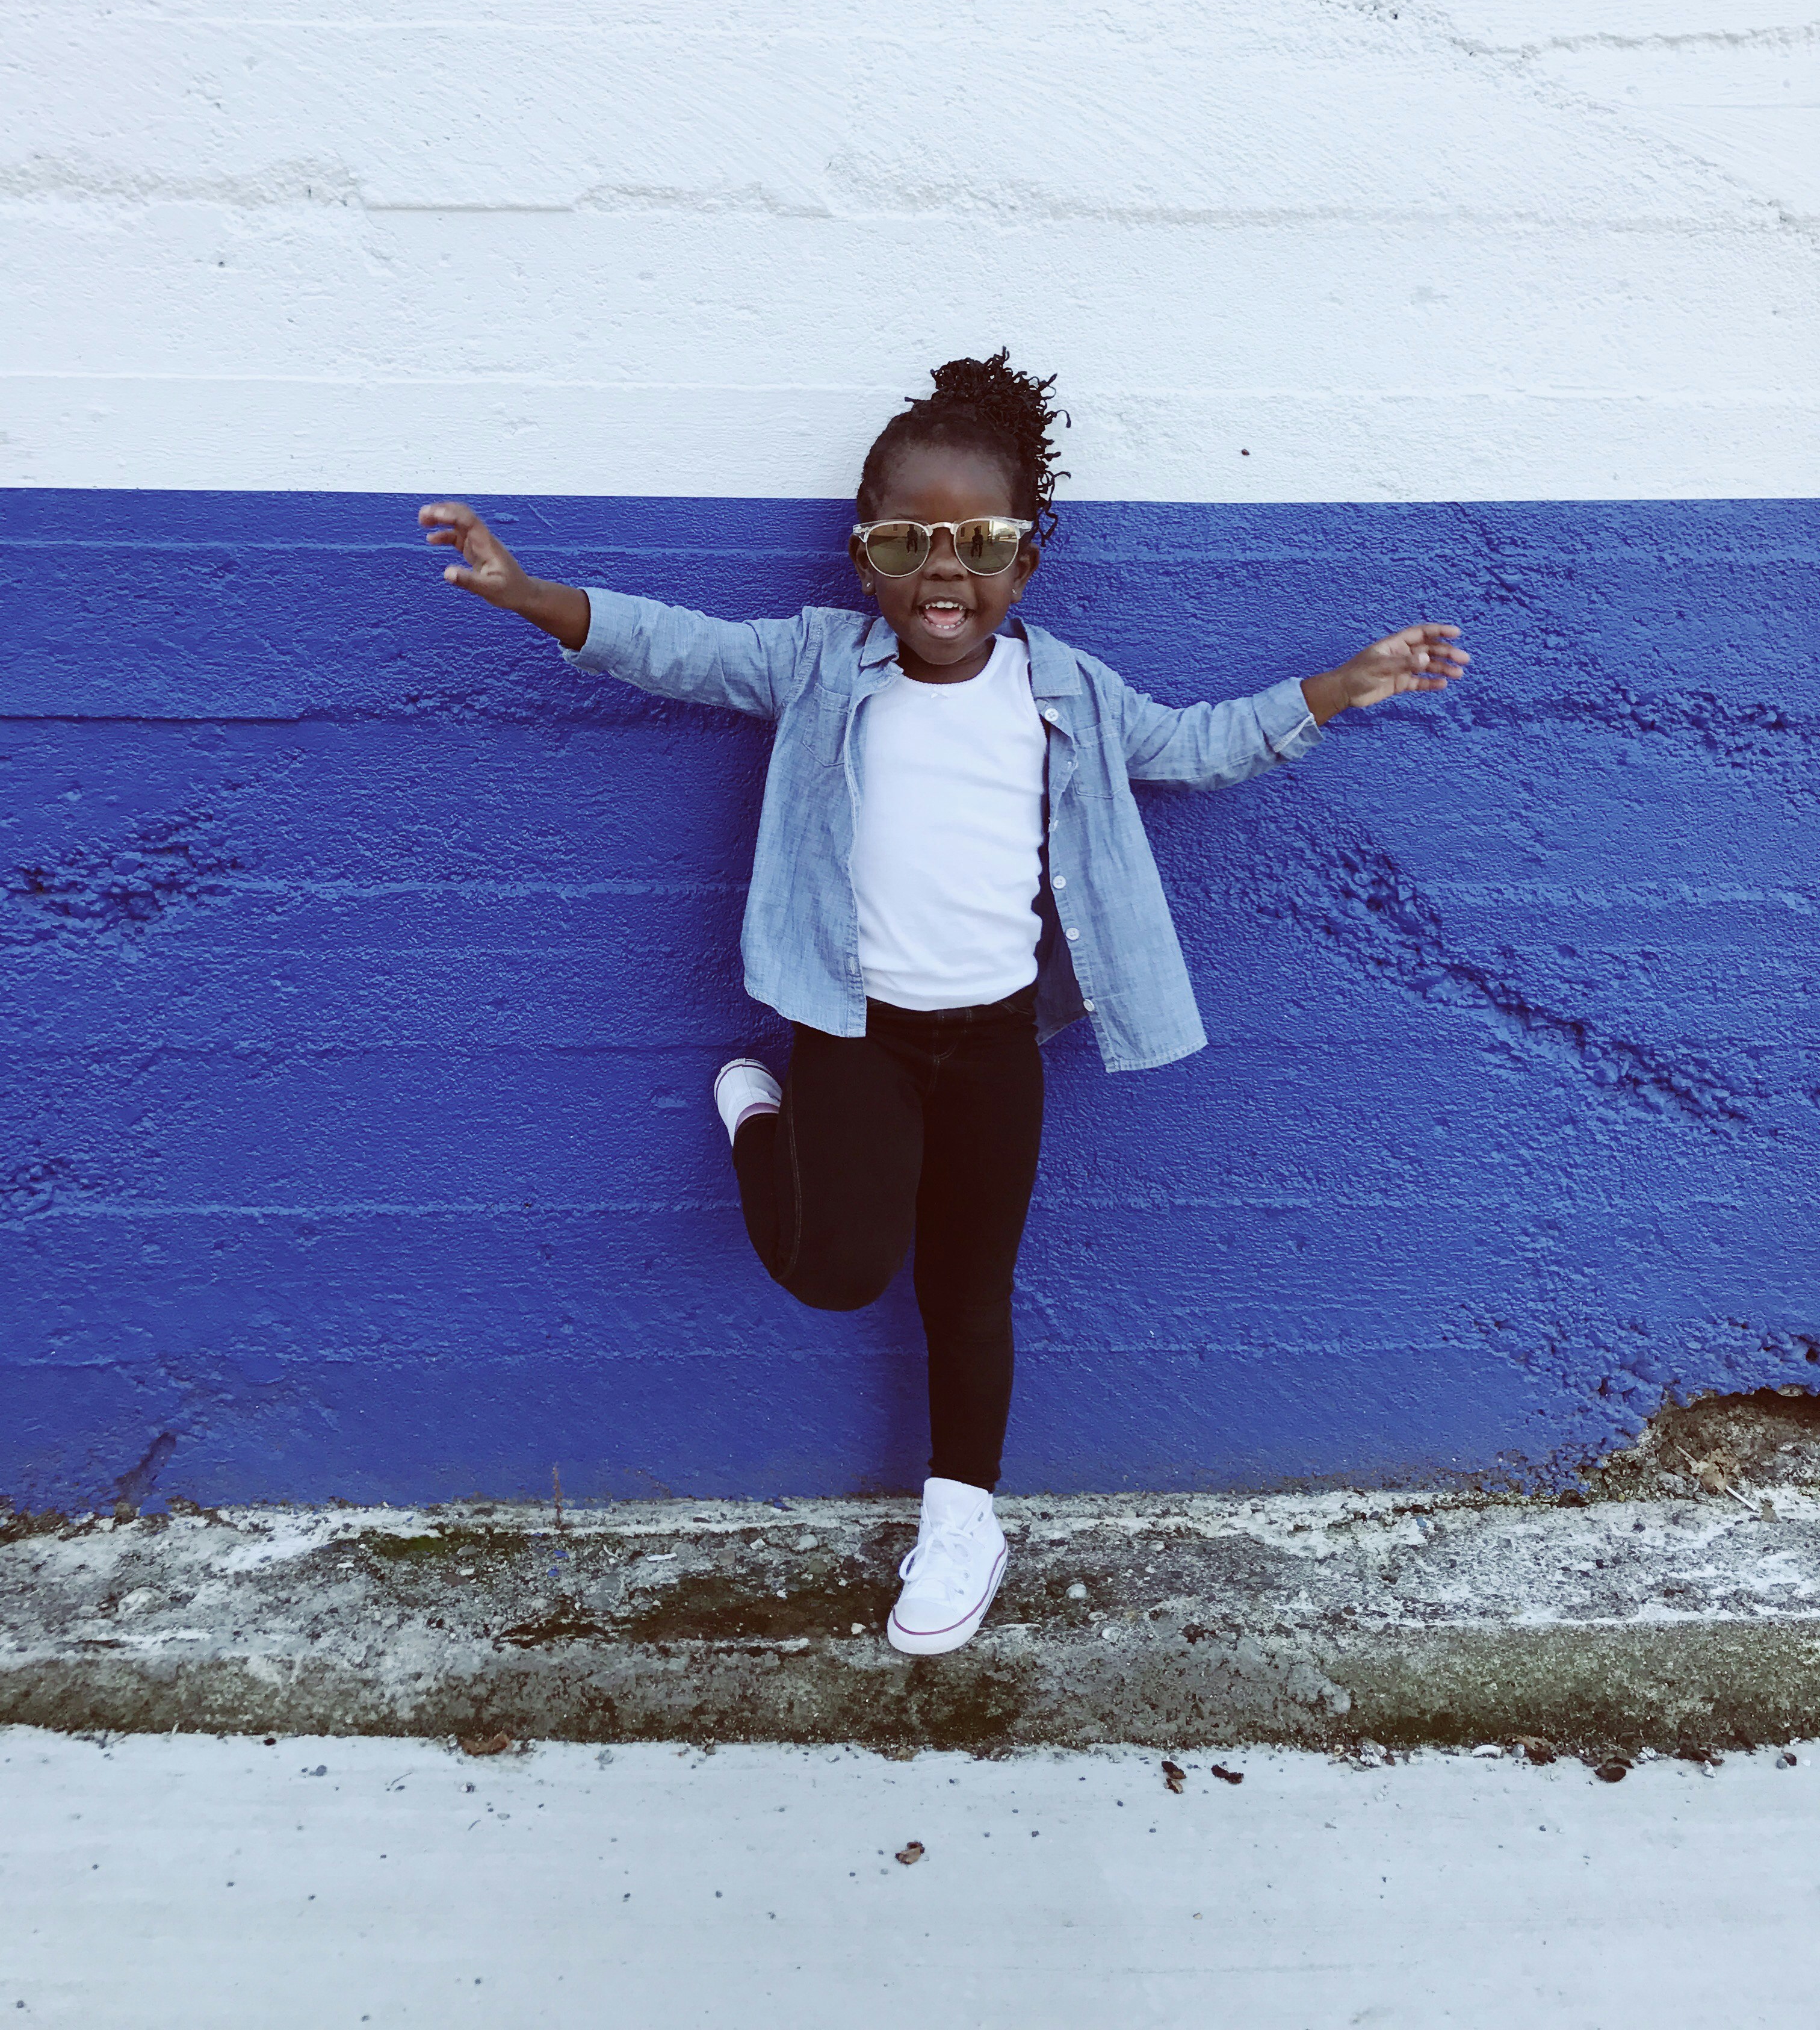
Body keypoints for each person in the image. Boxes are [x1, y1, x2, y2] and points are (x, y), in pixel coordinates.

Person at [418, 352, 1469, 1658]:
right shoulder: (816, 665)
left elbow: (1194, 748)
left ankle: (965, 1518)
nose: (944, 571)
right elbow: (674, 650)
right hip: (853, 1032)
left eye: (980, 543)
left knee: (971, 1290)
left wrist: (1341, 687)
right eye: (910, 541)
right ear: (866, 559)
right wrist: (530, 596)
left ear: (1026, 562)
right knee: (837, 1271)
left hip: (995, 1043)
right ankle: (758, 1117)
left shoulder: (1066, 689)